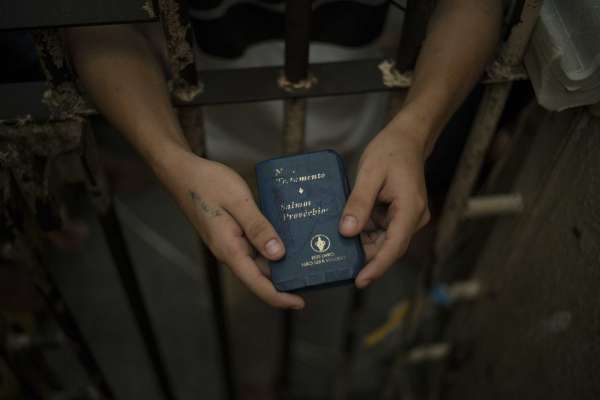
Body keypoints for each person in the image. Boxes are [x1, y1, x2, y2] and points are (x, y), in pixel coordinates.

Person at [64, 0, 504, 310]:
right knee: (246, 282)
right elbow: (94, 18)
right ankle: (255, 375)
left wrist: (416, 130)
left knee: (368, 226)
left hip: (368, 125)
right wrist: (169, 160)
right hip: (218, 136)